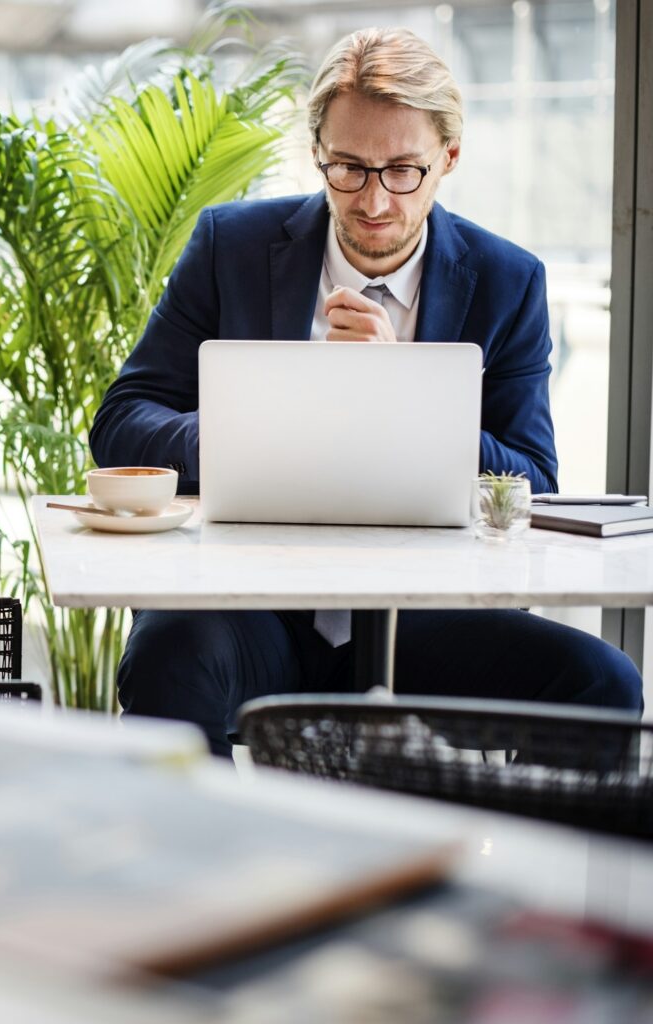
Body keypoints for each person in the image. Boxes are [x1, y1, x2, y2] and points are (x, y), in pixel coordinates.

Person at [89, 27, 642, 756]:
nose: (374, 200)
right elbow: (121, 424)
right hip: (246, 606)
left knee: (602, 683)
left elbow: (530, 480)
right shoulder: (231, 246)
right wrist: (252, 429)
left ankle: (506, 870)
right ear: (317, 154)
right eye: (348, 168)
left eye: (403, 170)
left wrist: (404, 396)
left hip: (426, 617)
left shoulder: (509, 281)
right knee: (169, 655)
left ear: (448, 157)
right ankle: (216, 868)